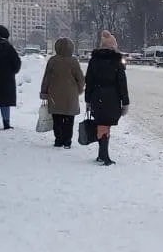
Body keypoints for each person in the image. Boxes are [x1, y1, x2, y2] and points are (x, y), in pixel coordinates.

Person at [83, 30, 129, 166]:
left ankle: (101, 154)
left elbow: (89, 81)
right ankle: (104, 156)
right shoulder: (116, 61)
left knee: (101, 124)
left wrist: (87, 99)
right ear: (113, 46)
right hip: (112, 98)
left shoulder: (94, 60)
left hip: (96, 96)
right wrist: (125, 102)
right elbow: (122, 83)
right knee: (105, 125)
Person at [40, 37, 86, 148]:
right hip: (70, 96)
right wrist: (79, 89)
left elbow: (47, 78)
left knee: (57, 119)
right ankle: (67, 141)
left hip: (55, 95)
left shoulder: (52, 61)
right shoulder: (73, 61)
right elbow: (80, 78)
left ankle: (58, 140)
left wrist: (44, 92)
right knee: (69, 120)